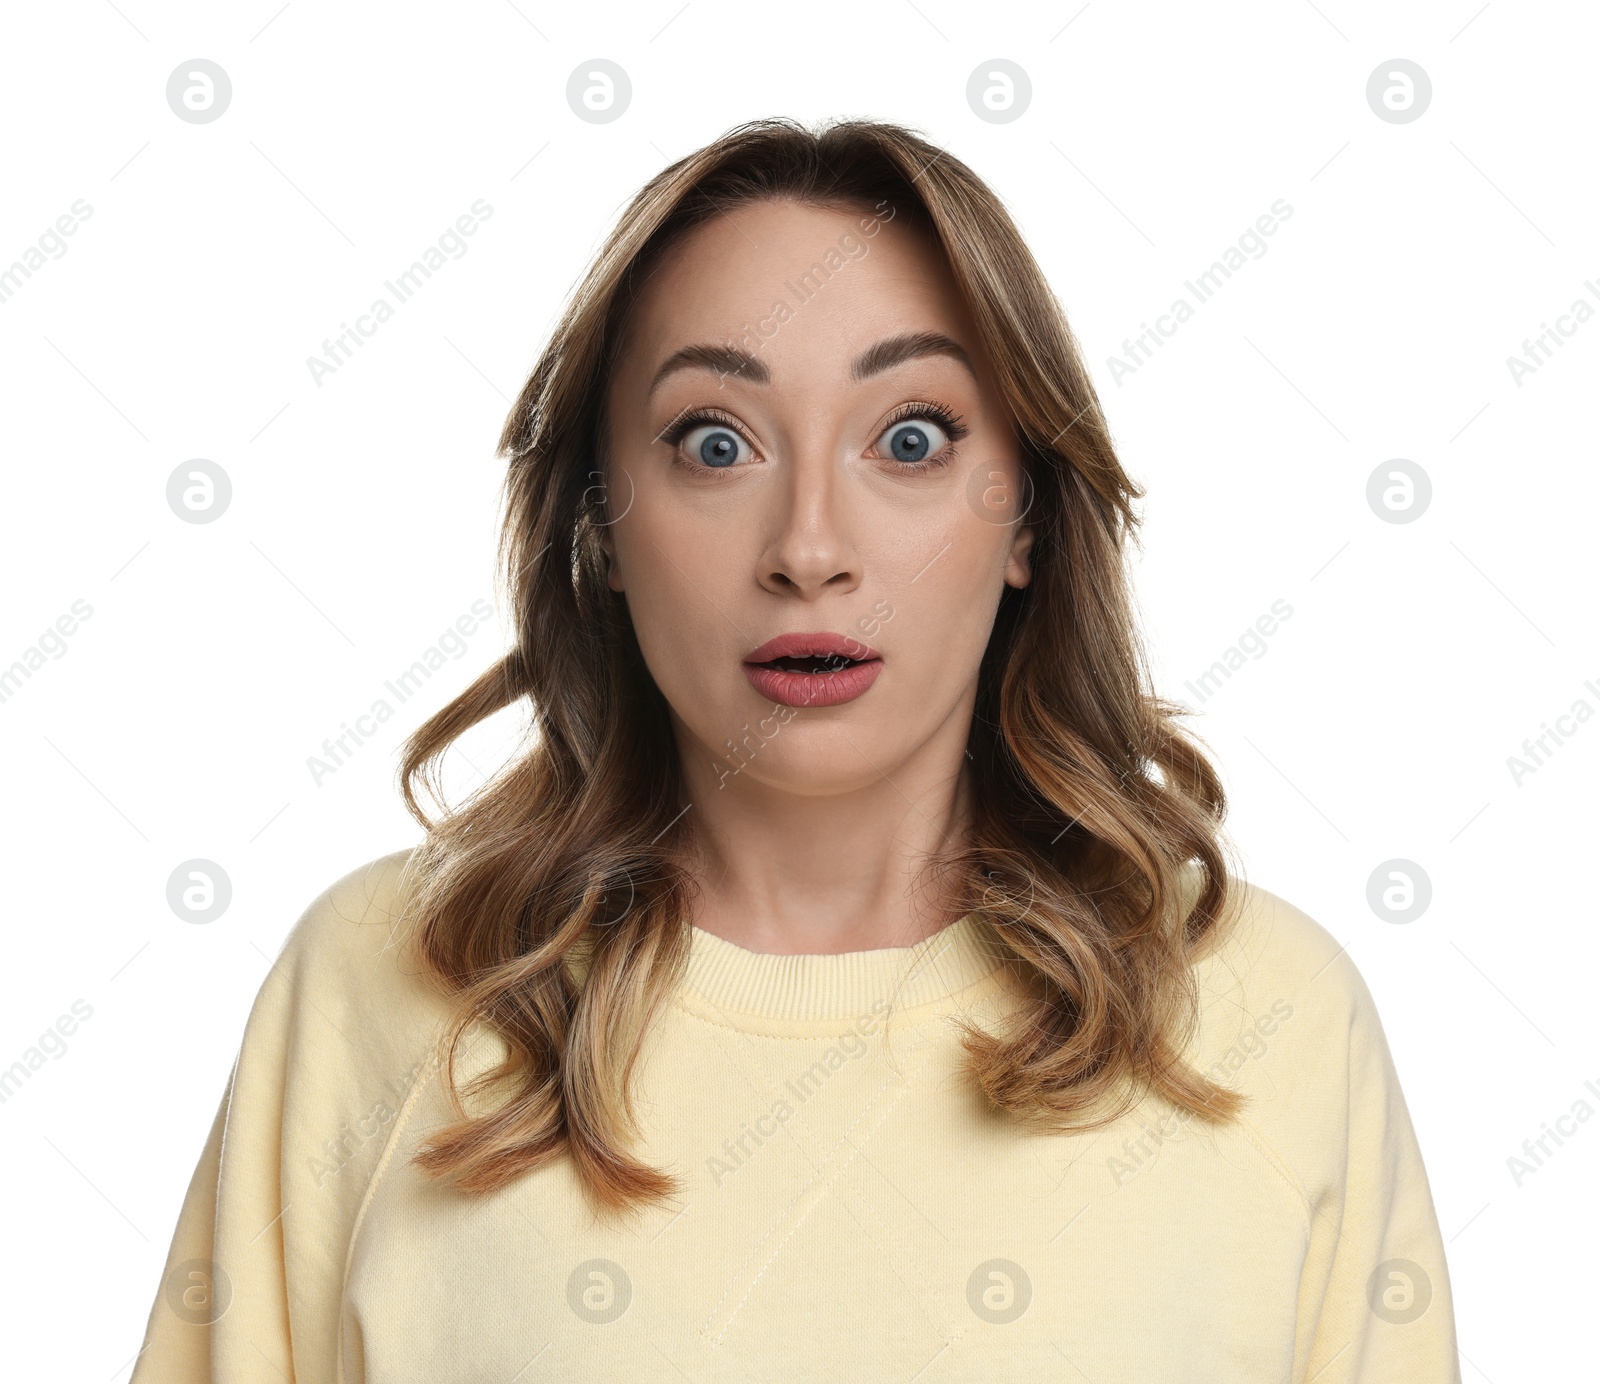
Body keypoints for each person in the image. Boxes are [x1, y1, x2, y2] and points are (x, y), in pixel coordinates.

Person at [131, 117, 1460, 1382]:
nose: (809, 549)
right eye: (715, 444)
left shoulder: (1266, 1015)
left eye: (912, 440)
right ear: (598, 527)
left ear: (1029, 523)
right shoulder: (379, 986)